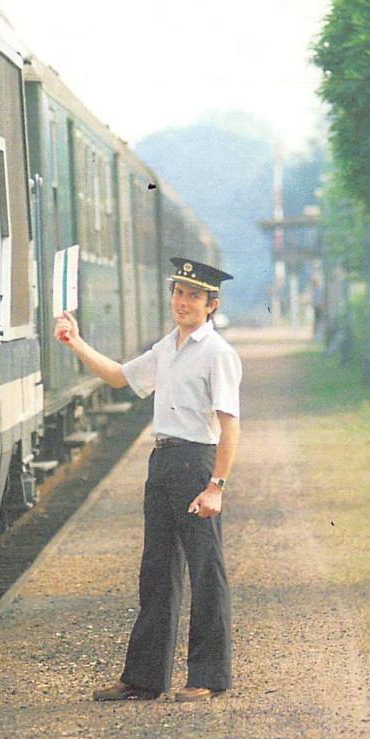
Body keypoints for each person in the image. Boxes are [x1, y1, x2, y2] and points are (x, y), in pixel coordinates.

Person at [54, 257, 242, 702]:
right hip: (161, 465)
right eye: (179, 293)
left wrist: (216, 486)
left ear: (211, 304)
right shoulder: (168, 347)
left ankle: (208, 677)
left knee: (205, 571)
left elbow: (230, 426)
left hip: (197, 463)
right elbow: (120, 378)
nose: (183, 302)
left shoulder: (218, 355)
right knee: (156, 573)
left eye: (194, 296)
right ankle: (143, 679)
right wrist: (76, 343)